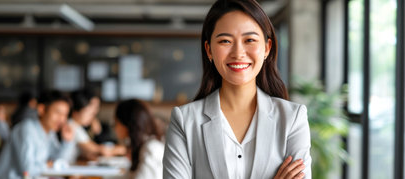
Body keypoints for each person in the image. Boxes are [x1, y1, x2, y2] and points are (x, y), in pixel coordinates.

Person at [162, 0, 312, 178]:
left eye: (250, 40)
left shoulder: (292, 118)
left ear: (267, 48)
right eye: (225, 41)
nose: (238, 53)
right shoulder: (185, 120)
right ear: (209, 50)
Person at [0, 90, 75, 179]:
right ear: (41, 109)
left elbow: (59, 162)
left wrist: (67, 142)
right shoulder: (26, 129)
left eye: (65, 115)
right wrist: (47, 165)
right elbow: (27, 170)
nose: (62, 119)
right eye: (58, 113)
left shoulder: (50, 132)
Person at [64, 90, 124, 163]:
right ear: (76, 112)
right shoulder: (72, 126)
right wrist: (120, 150)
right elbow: (95, 149)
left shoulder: (78, 126)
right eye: (89, 112)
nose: (92, 116)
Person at [114, 99, 164, 179]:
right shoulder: (143, 146)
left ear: (127, 123)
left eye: (116, 122)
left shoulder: (151, 149)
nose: (114, 127)